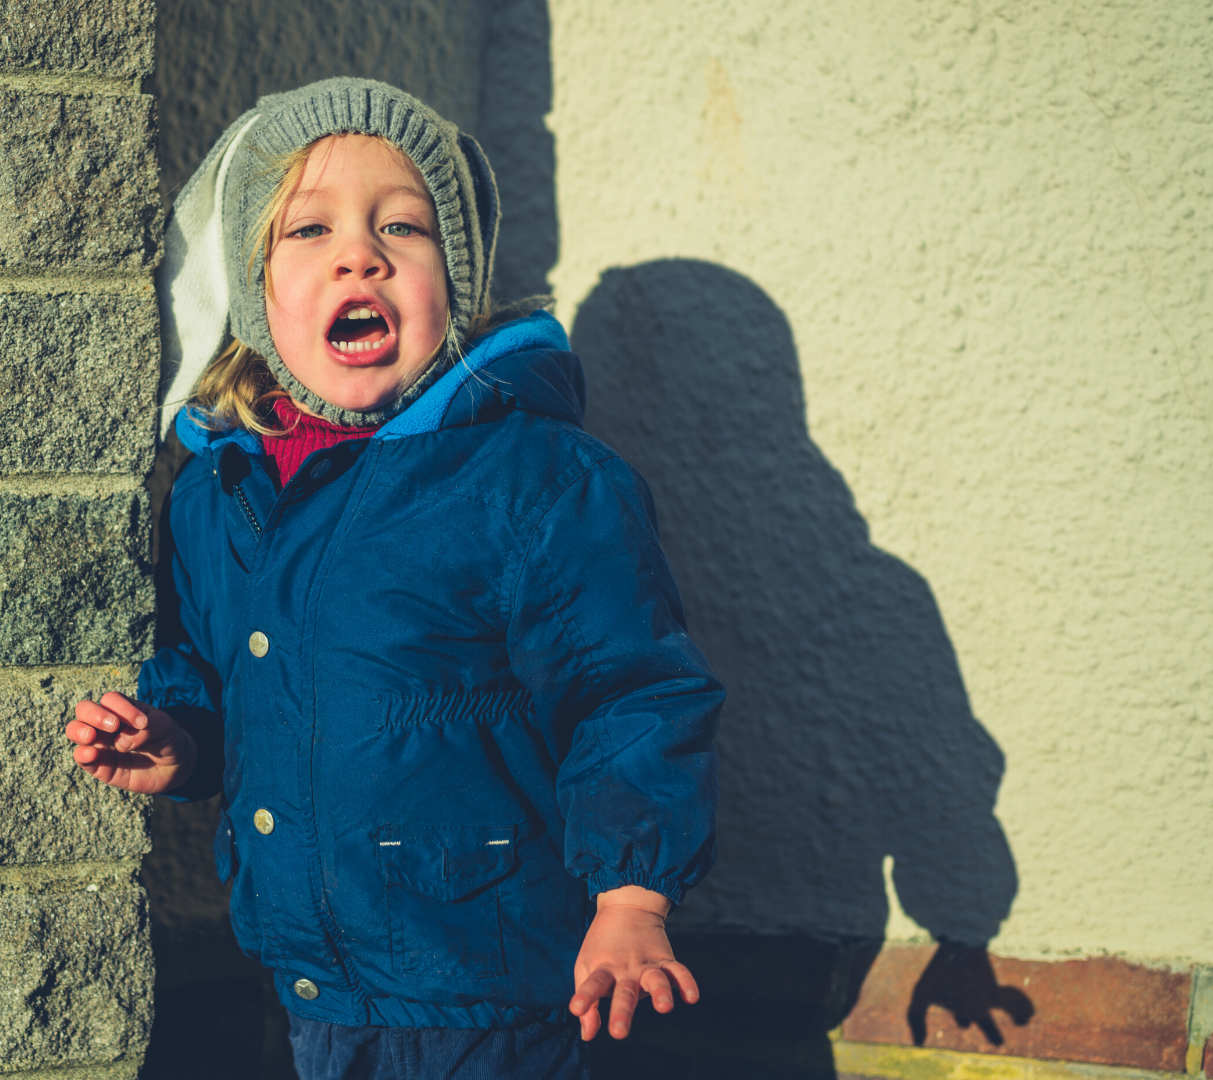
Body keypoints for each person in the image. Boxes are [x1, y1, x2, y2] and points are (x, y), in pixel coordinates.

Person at [63, 78, 723, 1080]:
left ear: (454, 281)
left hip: (496, 988)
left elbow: (628, 691)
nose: (359, 254)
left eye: (403, 230)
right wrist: (179, 739)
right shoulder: (220, 492)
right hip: (312, 986)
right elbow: (215, 668)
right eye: (309, 231)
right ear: (256, 297)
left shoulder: (533, 480)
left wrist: (632, 899)